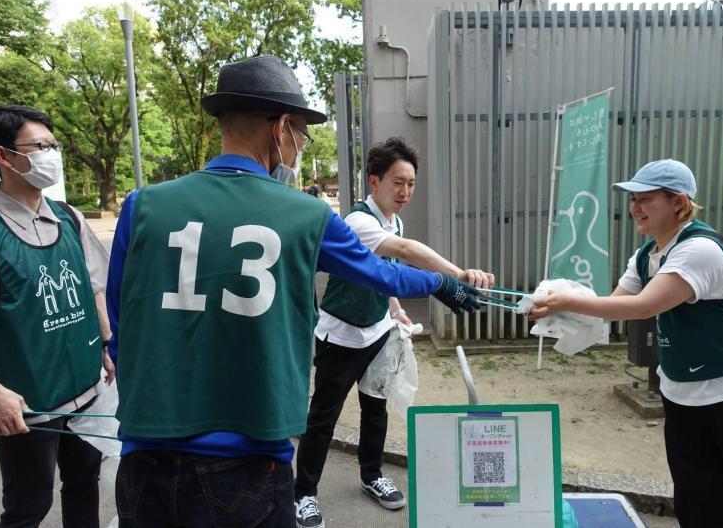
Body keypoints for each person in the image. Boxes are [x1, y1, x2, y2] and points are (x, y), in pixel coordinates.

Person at [106, 55, 480, 528]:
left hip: (146, 453)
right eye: (302, 133)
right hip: (249, 455)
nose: (300, 145)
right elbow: (383, 274)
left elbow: (121, 321)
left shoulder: (143, 206)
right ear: (282, 128)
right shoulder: (306, 215)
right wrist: (441, 282)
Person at [528, 159, 723, 528]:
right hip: (685, 396)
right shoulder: (645, 256)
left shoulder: (699, 249)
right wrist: (554, 309)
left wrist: (569, 301)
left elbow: (643, 307)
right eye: (633, 199)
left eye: (646, 199)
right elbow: (614, 306)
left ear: (679, 202)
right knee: (698, 505)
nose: (635, 208)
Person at [293, 137, 494, 527]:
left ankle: (372, 476)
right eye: (397, 182)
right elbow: (401, 251)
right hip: (342, 335)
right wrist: (455, 275)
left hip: (378, 331)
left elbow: (384, 279)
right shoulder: (358, 221)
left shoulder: (392, 219)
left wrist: (397, 311)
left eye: (411, 183)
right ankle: (303, 494)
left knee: (376, 408)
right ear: (374, 181)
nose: (405, 192)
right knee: (323, 419)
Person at [0, 104, 114, 528]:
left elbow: (94, 286)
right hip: (29, 404)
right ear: (4, 157)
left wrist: (104, 345)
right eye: (39, 146)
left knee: (85, 483)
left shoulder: (69, 218)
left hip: (86, 390)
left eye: (53, 145)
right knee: (29, 506)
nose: (51, 155)